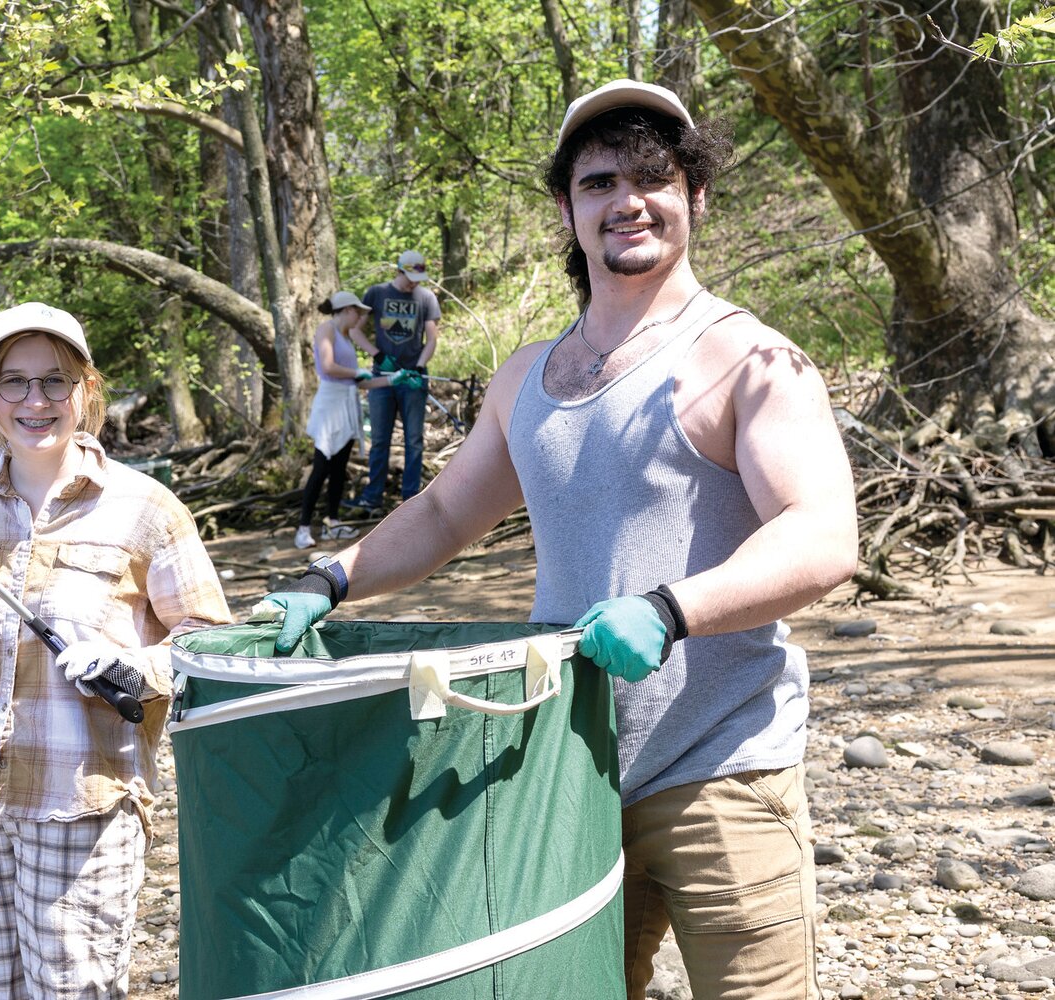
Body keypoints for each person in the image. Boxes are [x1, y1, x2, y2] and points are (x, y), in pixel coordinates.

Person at [261, 80, 857, 1000]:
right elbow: (446, 515)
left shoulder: (751, 359)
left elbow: (821, 535)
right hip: (562, 768)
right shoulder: (526, 377)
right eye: (600, 181)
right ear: (569, 210)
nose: (628, 200)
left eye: (657, 178)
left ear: (697, 197)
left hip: (723, 769)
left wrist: (672, 609)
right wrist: (328, 579)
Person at [0, 302, 232, 999]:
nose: (36, 400)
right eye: (13, 381)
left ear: (86, 390)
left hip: (83, 807)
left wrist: (132, 669)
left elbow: (215, 647)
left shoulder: (145, 507)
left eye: (56, 380)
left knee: (74, 989)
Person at [342, 249, 440, 513]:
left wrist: (419, 368)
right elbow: (354, 330)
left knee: (414, 440)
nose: (413, 283)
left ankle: (411, 500)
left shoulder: (426, 298)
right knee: (380, 440)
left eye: (417, 278)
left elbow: (431, 338)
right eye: (409, 277)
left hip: (413, 379)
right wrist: (378, 354)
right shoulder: (377, 293)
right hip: (382, 378)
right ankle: (373, 498)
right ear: (398, 271)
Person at [295, 290, 379, 549]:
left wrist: (393, 380)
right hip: (329, 405)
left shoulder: (345, 337)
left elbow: (358, 381)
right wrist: (358, 371)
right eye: (358, 312)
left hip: (346, 403)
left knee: (340, 468)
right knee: (321, 468)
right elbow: (329, 367)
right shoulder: (326, 329)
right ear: (347, 310)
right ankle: (303, 527)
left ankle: (332, 522)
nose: (361, 317)